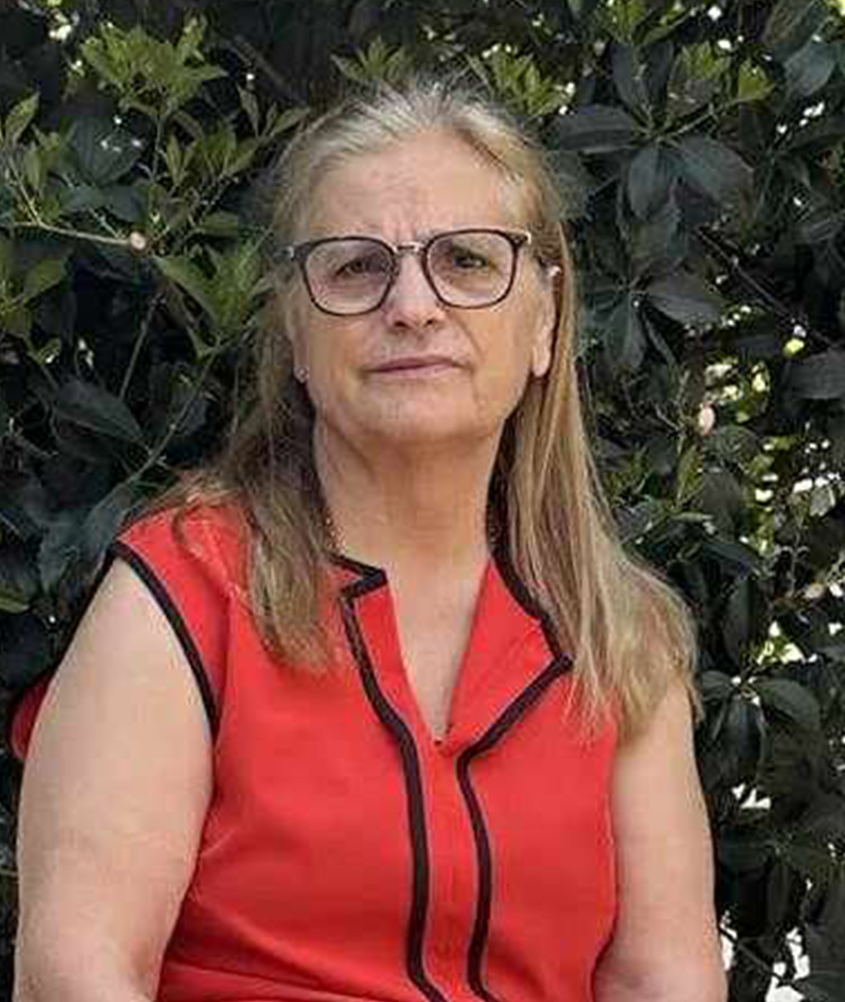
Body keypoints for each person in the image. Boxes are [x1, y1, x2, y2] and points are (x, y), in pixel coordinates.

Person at [9, 79, 726, 1002]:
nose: (413, 305)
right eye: (356, 268)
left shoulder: (615, 636)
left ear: (544, 322)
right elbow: (76, 973)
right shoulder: (184, 592)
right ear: (296, 334)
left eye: (466, 260)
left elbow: (662, 980)